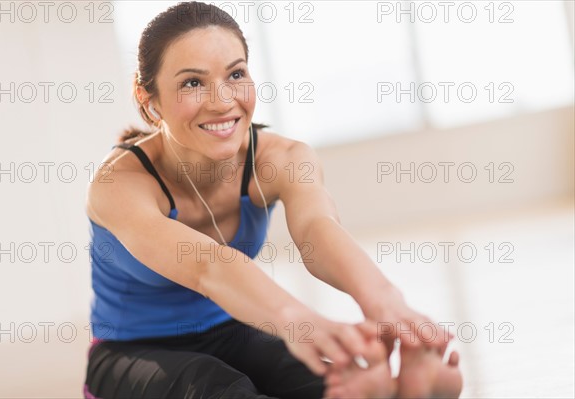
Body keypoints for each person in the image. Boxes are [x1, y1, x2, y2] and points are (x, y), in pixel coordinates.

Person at [84, 2, 463, 398]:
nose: (222, 100)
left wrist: (384, 301)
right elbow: (207, 265)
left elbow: (318, 230)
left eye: (235, 74)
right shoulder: (119, 183)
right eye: (192, 83)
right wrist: (295, 319)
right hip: (129, 351)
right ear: (149, 100)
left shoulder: (282, 159)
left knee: (319, 382)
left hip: (231, 330)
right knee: (221, 389)